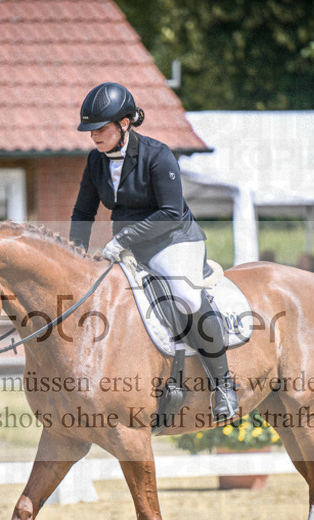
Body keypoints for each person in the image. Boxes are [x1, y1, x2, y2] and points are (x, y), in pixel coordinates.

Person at [69, 83, 237, 421]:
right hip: (128, 246)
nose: (94, 137)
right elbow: (83, 213)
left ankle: (224, 385)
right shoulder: (96, 161)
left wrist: (123, 240)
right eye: (91, 131)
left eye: (101, 129)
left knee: (186, 297)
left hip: (174, 240)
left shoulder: (157, 155)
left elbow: (171, 213)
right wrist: (73, 256)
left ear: (125, 123)